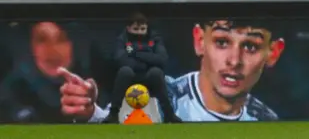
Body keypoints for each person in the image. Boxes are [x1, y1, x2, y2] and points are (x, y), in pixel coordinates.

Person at [59, 18, 286, 122]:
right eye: (222, 42)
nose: (234, 61)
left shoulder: (265, 119)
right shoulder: (161, 96)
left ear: (273, 53)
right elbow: (113, 126)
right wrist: (91, 113)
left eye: (250, 46)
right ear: (199, 41)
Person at [101, 13, 181, 123]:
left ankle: (169, 114)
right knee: (124, 71)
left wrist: (135, 53)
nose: (139, 32)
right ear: (128, 28)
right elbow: (121, 60)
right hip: (130, 76)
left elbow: (161, 60)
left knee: (156, 72)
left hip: (149, 76)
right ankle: (113, 115)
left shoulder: (155, 38)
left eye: (143, 29)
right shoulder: (122, 39)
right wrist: (147, 58)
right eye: (136, 29)